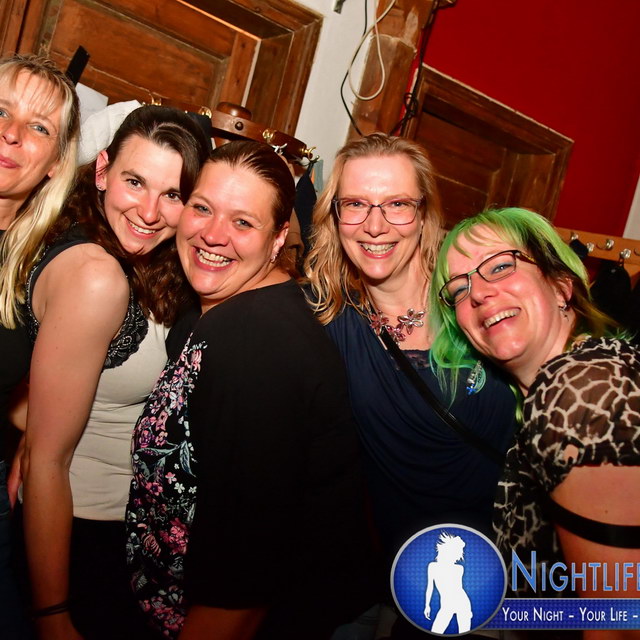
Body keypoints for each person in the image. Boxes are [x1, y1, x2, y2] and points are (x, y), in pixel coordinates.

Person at [126, 140, 373, 640]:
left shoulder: (255, 343)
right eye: (202, 208)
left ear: (278, 238)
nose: (213, 235)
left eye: (243, 222)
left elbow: (243, 579)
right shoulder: (220, 314)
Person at [21, 105, 210, 640]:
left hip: (122, 531)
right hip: (78, 537)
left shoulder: (141, 260)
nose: (149, 211)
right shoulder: (97, 276)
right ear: (102, 171)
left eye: (172, 194)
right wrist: (53, 614)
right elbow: (47, 461)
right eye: (135, 182)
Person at [305, 133, 517, 569]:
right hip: (412, 570)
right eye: (356, 204)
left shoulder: (476, 297)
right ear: (335, 215)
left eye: (397, 204)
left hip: (525, 558)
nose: (375, 226)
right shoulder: (324, 320)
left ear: (424, 214)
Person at [430, 208, 640, 617]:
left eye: (500, 266)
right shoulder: (564, 383)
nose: (478, 293)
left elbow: (619, 621)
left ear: (561, 285)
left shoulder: (582, 392)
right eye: (459, 288)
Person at [0, 53, 80, 639]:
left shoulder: (39, 269)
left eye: (38, 127)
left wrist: (34, 434)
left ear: (55, 164)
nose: (11, 134)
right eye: (0, 112)